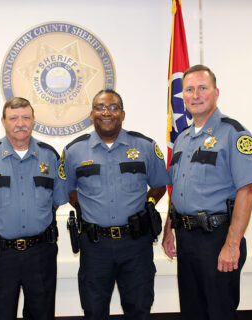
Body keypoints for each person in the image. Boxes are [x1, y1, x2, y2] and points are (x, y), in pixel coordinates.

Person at [162, 65, 252, 320]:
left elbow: (247, 191)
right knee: (192, 311)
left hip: (217, 238)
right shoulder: (183, 139)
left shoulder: (233, 133)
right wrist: (168, 229)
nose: (195, 95)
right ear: (183, 97)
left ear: (216, 93)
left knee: (219, 311)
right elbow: (178, 189)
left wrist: (232, 245)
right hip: (186, 238)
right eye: (189, 89)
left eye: (202, 88)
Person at [63, 89, 170, 320]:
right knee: (94, 310)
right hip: (95, 246)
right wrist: (86, 210)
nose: (107, 113)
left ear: (122, 114)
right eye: (101, 107)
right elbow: (69, 190)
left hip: (135, 244)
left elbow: (160, 184)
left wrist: (148, 205)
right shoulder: (73, 151)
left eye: (113, 107)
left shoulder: (146, 146)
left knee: (139, 309)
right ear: (92, 114)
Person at [0, 97, 67, 320]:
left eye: (25, 117)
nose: (20, 123)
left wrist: (36, 218)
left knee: (42, 315)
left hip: (40, 253)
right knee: (0, 314)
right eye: (13, 118)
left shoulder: (50, 156)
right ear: (3, 121)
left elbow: (57, 199)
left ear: (33, 121)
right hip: (0, 255)